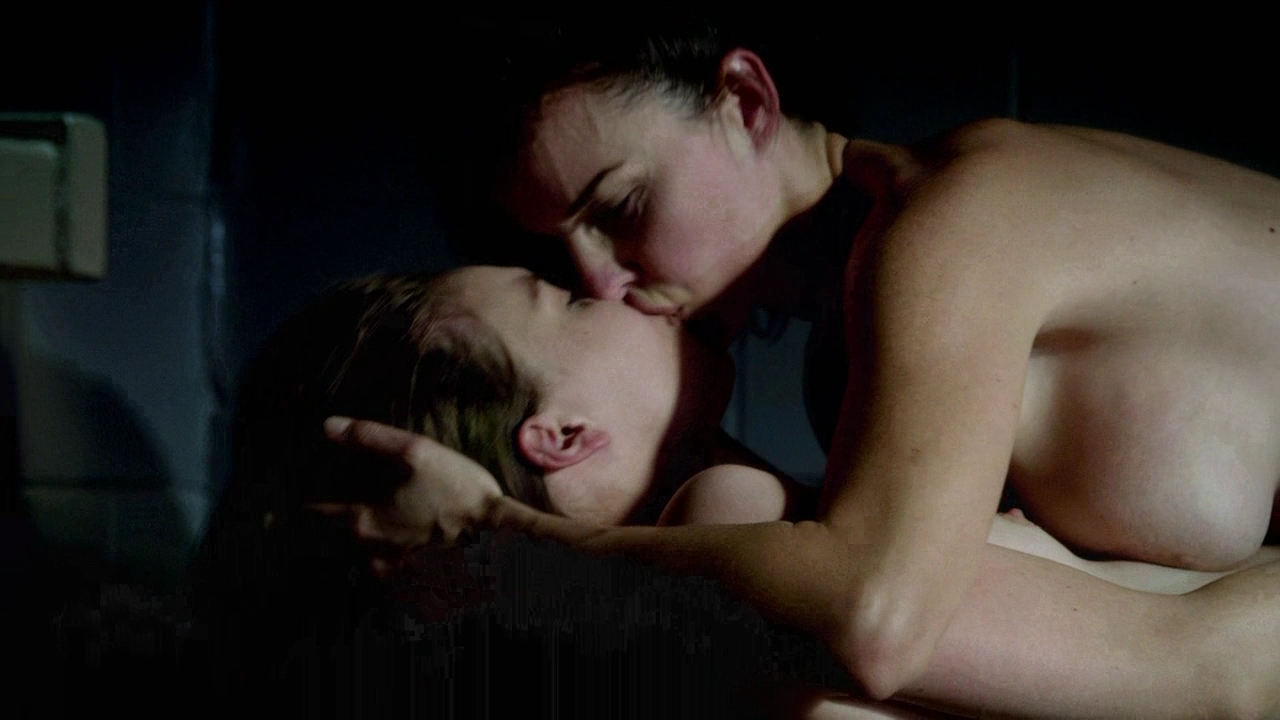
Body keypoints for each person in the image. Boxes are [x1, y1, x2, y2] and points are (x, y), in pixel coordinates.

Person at [324, 16, 1280, 713]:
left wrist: (497, 544)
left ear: (746, 102)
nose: (603, 282)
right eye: (561, 257)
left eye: (618, 209)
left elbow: (873, 621)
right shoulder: (849, 369)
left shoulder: (956, 217)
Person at [283, 269, 1276, 717]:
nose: (620, 283)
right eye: (572, 298)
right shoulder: (726, 518)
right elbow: (1213, 674)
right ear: (564, 436)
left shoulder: (650, 651)